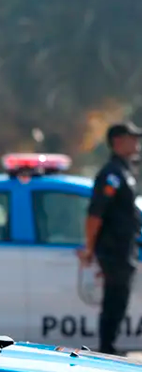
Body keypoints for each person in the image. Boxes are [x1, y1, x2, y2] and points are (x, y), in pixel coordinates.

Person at [79, 121, 142, 355]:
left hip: (125, 248)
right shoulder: (111, 174)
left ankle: (110, 346)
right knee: (114, 300)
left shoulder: (126, 171)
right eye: (131, 138)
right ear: (117, 141)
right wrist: (89, 247)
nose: (136, 143)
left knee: (119, 299)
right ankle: (107, 349)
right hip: (113, 249)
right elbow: (95, 214)